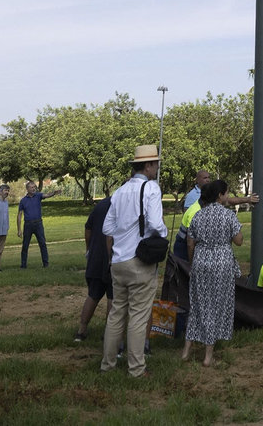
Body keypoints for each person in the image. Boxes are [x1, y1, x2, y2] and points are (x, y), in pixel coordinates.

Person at [101, 144, 167, 378]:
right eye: (156, 163)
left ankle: (107, 365)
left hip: (118, 261)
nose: (157, 167)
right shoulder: (151, 188)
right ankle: (136, 369)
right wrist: (163, 233)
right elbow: (156, 223)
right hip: (140, 262)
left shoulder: (120, 191)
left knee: (117, 313)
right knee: (139, 316)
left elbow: (107, 227)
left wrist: (124, 233)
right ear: (148, 165)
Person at [181, 179, 242, 365]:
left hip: (200, 261)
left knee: (197, 303)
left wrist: (193, 263)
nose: (228, 196)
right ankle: (208, 356)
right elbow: (239, 241)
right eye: (227, 193)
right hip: (222, 263)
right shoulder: (228, 216)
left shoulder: (198, 215)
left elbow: (190, 243)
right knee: (216, 306)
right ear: (219, 195)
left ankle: (186, 351)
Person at [76, 186, 113, 341]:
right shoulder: (124, 205)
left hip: (96, 257)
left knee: (93, 295)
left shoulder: (102, 204)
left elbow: (88, 229)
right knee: (113, 297)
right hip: (113, 257)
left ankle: (81, 331)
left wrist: (89, 249)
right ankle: (108, 333)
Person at [18, 178, 63, 268]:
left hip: (38, 223)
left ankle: (46, 263)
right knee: (25, 245)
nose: (33, 189)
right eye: (31, 187)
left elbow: (46, 195)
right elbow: (19, 215)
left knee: (42, 244)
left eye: (34, 187)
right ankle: (23, 265)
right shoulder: (23, 201)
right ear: (27, 189)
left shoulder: (38, 196)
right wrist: (19, 229)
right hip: (28, 224)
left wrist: (54, 193)